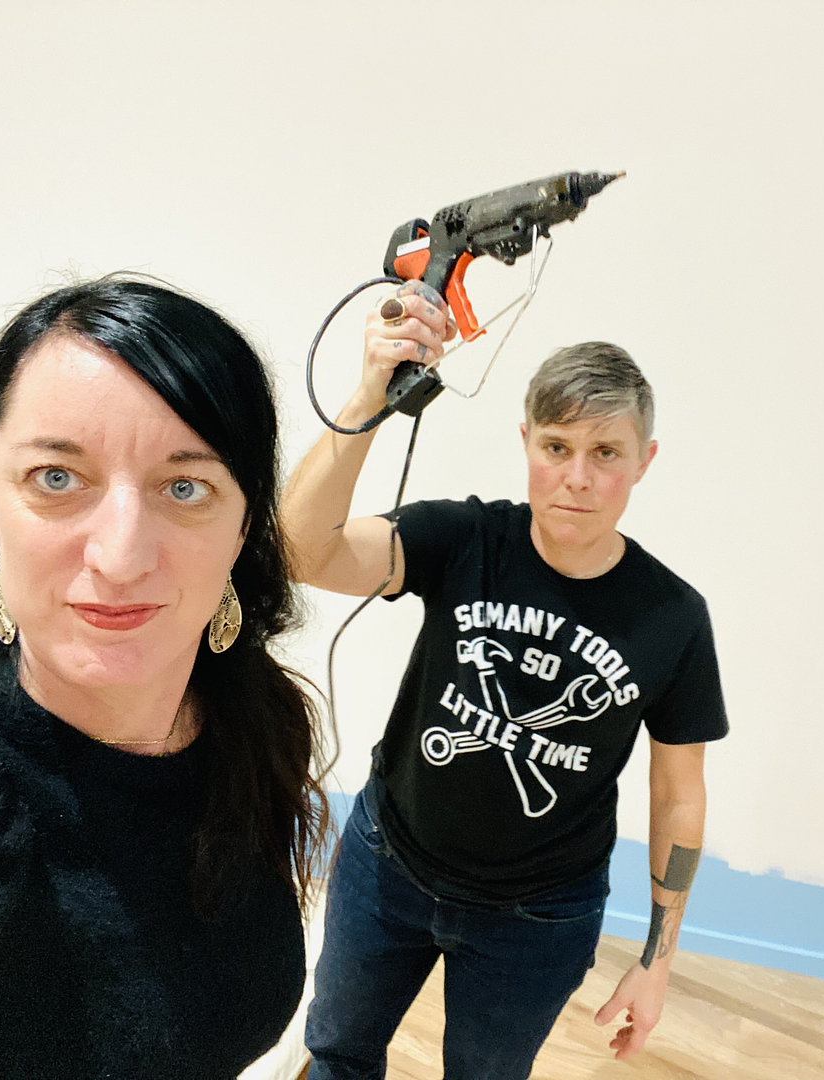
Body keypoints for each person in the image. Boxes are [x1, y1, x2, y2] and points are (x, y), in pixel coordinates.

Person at [0, 277, 327, 1079]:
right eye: (56, 479)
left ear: (244, 523)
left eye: (185, 487)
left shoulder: (253, 721)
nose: (119, 557)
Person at [286, 281, 729, 1079]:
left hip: (537, 915)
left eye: (606, 454)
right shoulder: (462, 540)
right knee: (336, 1057)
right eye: (557, 447)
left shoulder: (672, 618)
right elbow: (301, 551)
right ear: (526, 441)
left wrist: (658, 957)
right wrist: (370, 397)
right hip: (388, 864)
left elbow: (679, 794)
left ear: (644, 462)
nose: (578, 477)